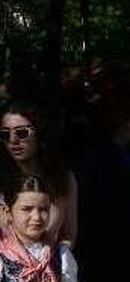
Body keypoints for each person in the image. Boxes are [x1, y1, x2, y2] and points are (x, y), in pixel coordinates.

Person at [0, 101, 78, 247]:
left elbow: (69, 234)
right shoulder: (2, 181)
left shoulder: (63, 179)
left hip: (49, 266)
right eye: (5, 134)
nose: (13, 140)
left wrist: (55, 259)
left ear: (39, 133)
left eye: (21, 132)